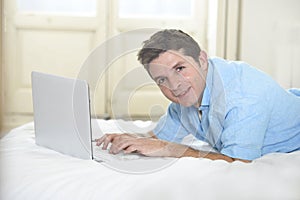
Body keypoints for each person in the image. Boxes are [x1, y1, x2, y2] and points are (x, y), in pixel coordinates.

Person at [96, 29, 300, 162]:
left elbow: (240, 162)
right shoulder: (186, 97)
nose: (174, 86)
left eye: (180, 68)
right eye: (161, 80)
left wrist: (171, 149)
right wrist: (129, 139)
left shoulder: (243, 97)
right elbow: (158, 138)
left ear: (202, 59)